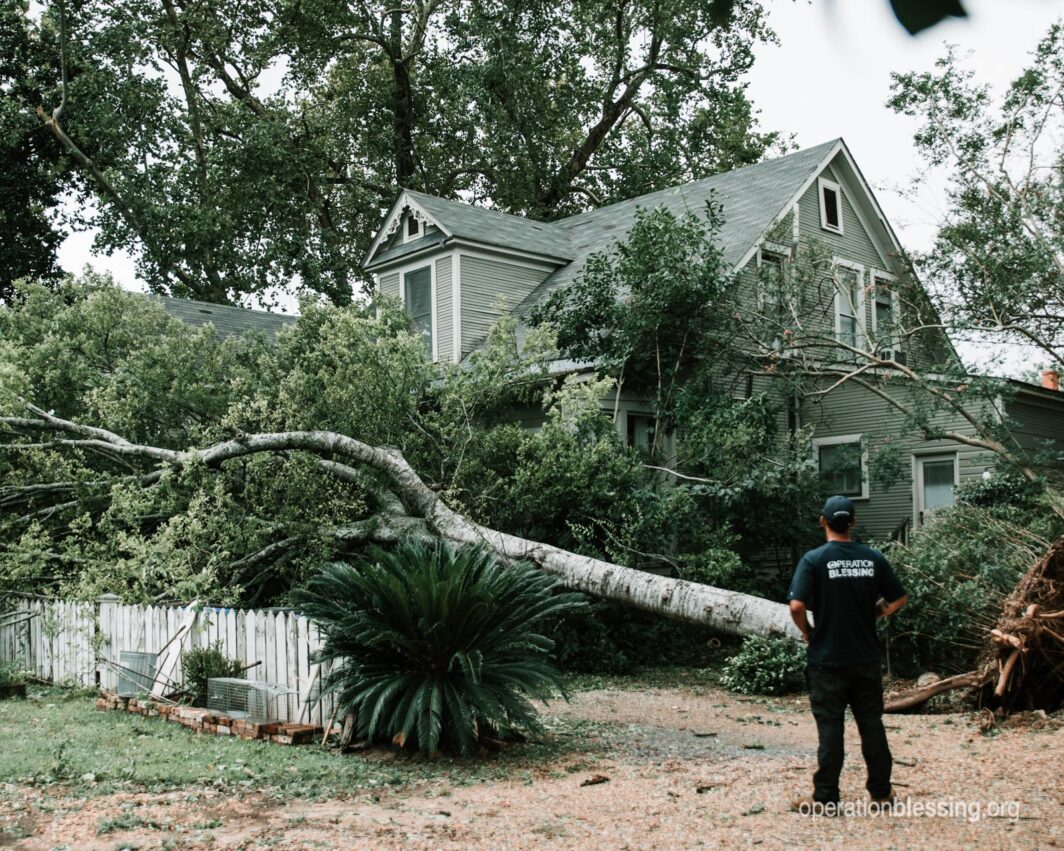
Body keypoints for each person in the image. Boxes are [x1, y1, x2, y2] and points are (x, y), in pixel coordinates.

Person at [788, 495, 908, 812]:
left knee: (831, 729)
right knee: (871, 725)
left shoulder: (814, 560)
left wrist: (807, 631)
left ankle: (826, 797)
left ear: (823, 522)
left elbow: (797, 605)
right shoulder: (873, 559)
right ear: (852, 522)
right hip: (865, 658)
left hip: (827, 660)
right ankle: (881, 794)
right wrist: (875, 613)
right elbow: (898, 598)